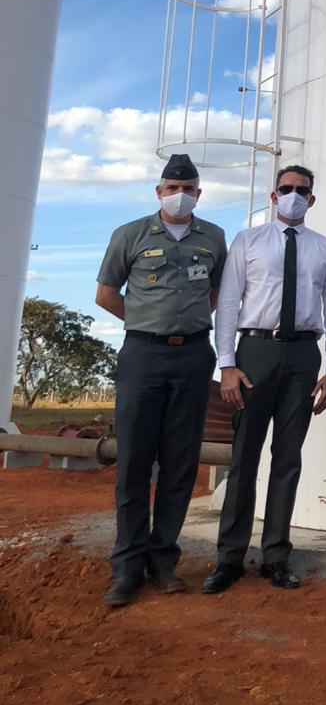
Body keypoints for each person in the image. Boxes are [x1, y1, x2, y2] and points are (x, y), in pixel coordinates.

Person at [202, 165, 326, 594]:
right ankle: (229, 557)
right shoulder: (248, 241)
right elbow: (228, 304)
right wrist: (226, 364)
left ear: (313, 200)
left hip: (303, 354)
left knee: (287, 458)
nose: (294, 196)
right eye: (286, 189)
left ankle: (276, 556)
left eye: (302, 191)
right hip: (255, 352)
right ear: (273, 195)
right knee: (244, 457)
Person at [95, 152, 227, 608]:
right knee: (133, 463)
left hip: (192, 356)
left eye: (188, 189)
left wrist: (186, 322)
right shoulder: (129, 234)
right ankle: (128, 567)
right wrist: (148, 320)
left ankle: (163, 563)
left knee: (179, 462)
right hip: (142, 356)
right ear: (158, 192)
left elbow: (217, 292)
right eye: (172, 189)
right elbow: (106, 293)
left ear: (198, 193)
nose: (180, 196)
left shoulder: (213, 237)